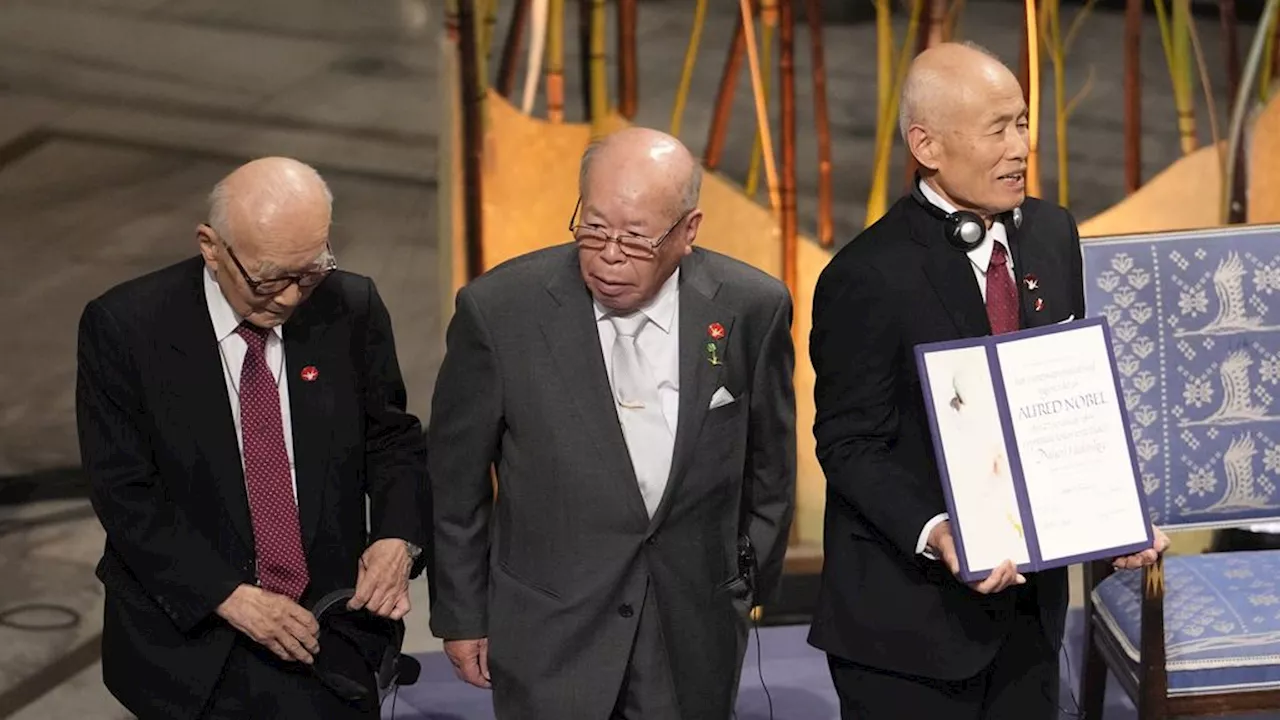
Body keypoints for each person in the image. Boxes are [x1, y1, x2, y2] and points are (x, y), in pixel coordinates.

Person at [806, 42, 1169, 719]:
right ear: (928, 145)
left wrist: (1114, 515)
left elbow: (1063, 401)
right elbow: (849, 444)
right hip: (907, 632)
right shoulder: (866, 276)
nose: (1019, 147)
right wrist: (940, 528)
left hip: (1030, 620)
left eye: (1023, 123)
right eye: (997, 128)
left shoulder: (1054, 233)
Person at [427, 127, 796, 720]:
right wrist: (462, 613)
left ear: (688, 231)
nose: (610, 255)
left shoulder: (751, 307)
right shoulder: (500, 311)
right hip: (549, 628)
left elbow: (770, 466)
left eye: (636, 238)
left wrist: (741, 583)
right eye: (593, 229)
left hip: (690, 631)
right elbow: (456, 482)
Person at [76, 157, 428, 719]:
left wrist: (396, 539)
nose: (290, 298)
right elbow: (125, 492)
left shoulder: (350, 307)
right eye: (269, 279)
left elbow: (392, 441)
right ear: (210, 247)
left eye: (309, 271)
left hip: (326, 640)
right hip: (192, 652)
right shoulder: (126, 328)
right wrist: (227, 595)